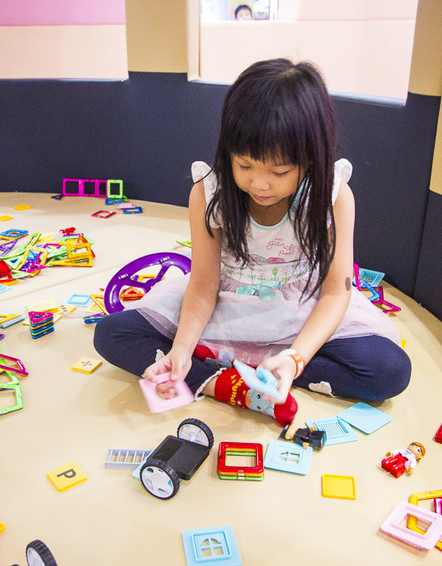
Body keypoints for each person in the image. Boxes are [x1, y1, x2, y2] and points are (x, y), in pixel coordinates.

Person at [94, 58, 411, 426]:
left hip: (300, 307)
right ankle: (223, 381)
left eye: (278, 172)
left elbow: (336, 293)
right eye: (244, 166)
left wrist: (295, 358)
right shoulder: (208, 193)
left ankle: (259, 368)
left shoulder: (333, 196)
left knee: (389, 371)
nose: (260, 184)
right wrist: (180, 351)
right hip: (226, 303)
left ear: (310, 158)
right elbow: (203, 284)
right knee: (112, 334)